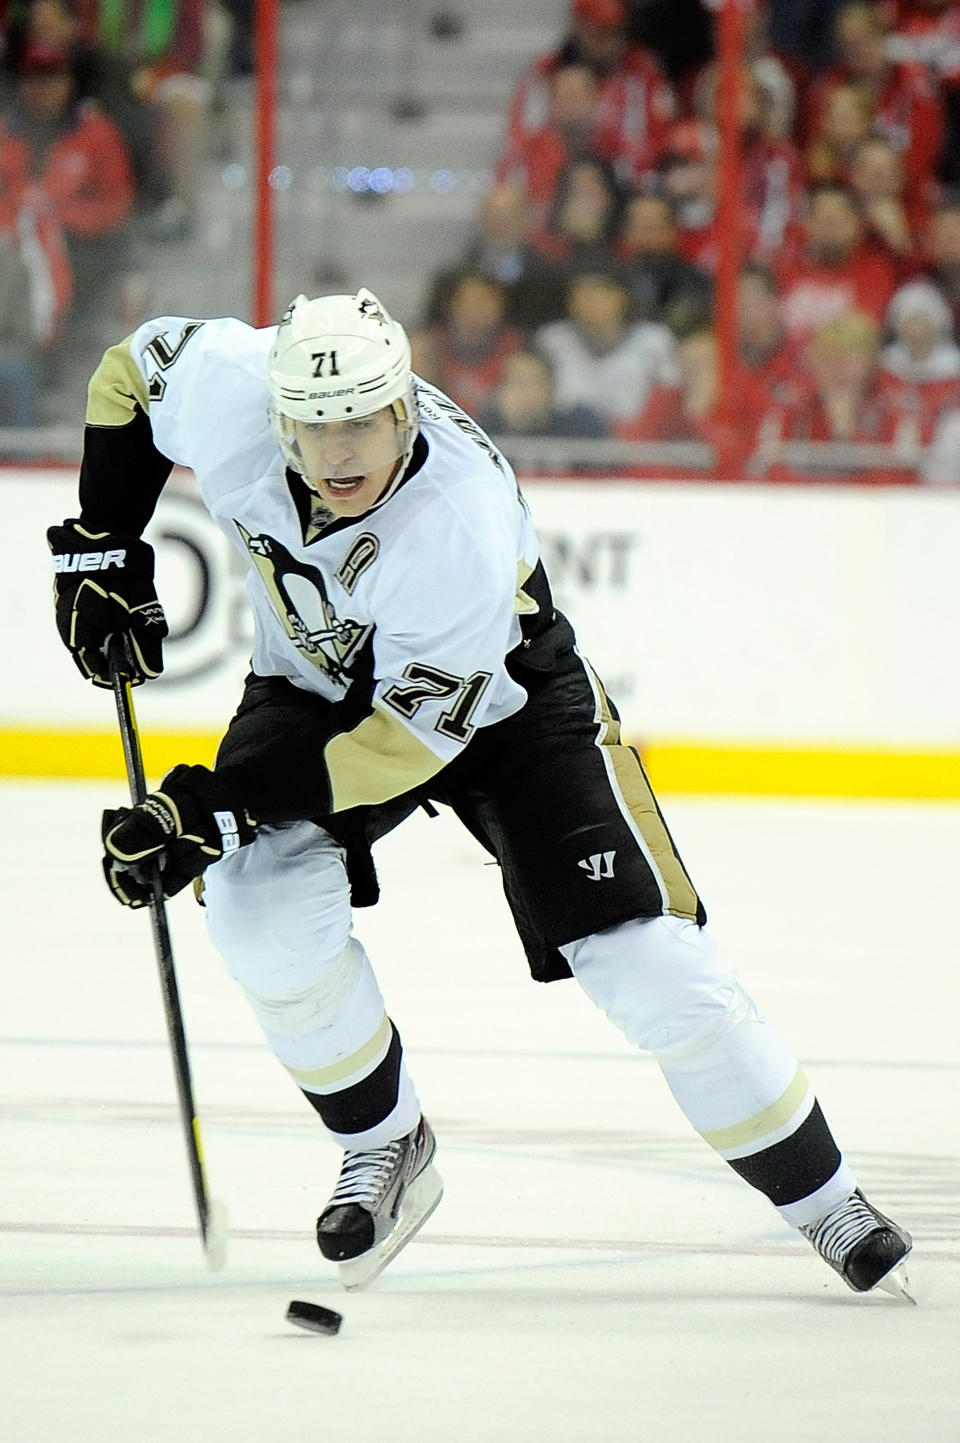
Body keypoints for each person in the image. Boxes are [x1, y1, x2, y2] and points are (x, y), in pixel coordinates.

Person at [46, 287, 914, 1299]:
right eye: (316, 426)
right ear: (277, 412)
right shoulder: (234, 386)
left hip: (506, 707)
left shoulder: (455, 521)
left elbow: (403, 743)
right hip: (315, 686)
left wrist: (216, 807)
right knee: (255, 911)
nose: (338, 451)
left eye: (364, 419)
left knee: (649, 962)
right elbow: (129, 373)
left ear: (406, 405)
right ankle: (386, 1146)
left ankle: (828, 1201)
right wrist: (104, 544)